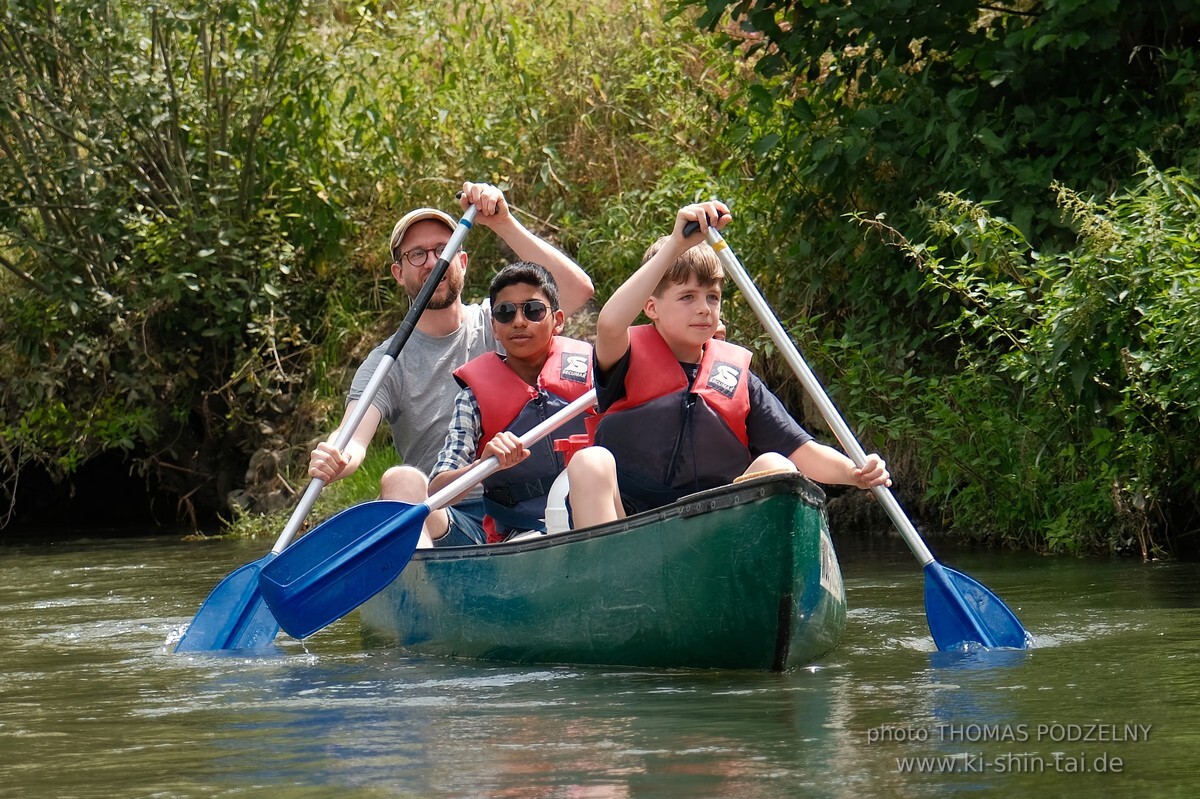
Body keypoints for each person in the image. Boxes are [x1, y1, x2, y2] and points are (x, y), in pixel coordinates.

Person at [566, 201, 891, 529]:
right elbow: (609, 324)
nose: (704, 308)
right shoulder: (623, 357)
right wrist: (677, 244)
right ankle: (609, 575)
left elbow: (801, 451)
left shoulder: (738, 379)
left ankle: (762, 572)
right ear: (651, 306)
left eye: (712, 297)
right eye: (687, 297)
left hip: (716, 529)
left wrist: (854, 473)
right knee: (589, 462)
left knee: (776, 465)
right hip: (631, 528)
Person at [307, 182, 594, 546]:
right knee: (400, 481)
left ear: (461, 261)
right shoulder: (387, 361)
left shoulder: (505, 320)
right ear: (398, 273)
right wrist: (335, 458)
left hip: (528, 505)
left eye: (444, 250)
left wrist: (503, 223)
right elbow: (351, 439)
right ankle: (424, 591)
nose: (432, 262)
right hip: (448, 520)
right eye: (417, 254)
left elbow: (576, 290)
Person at [423, 263, 594, 543]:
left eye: (533, 310)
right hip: (522, 533)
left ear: (558, 320)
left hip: (596, 515)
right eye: (505, 313)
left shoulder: (594, 374)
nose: (518, 321)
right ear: (494, 326)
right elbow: (435, 493)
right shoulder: (472, 398)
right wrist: (482, 464)